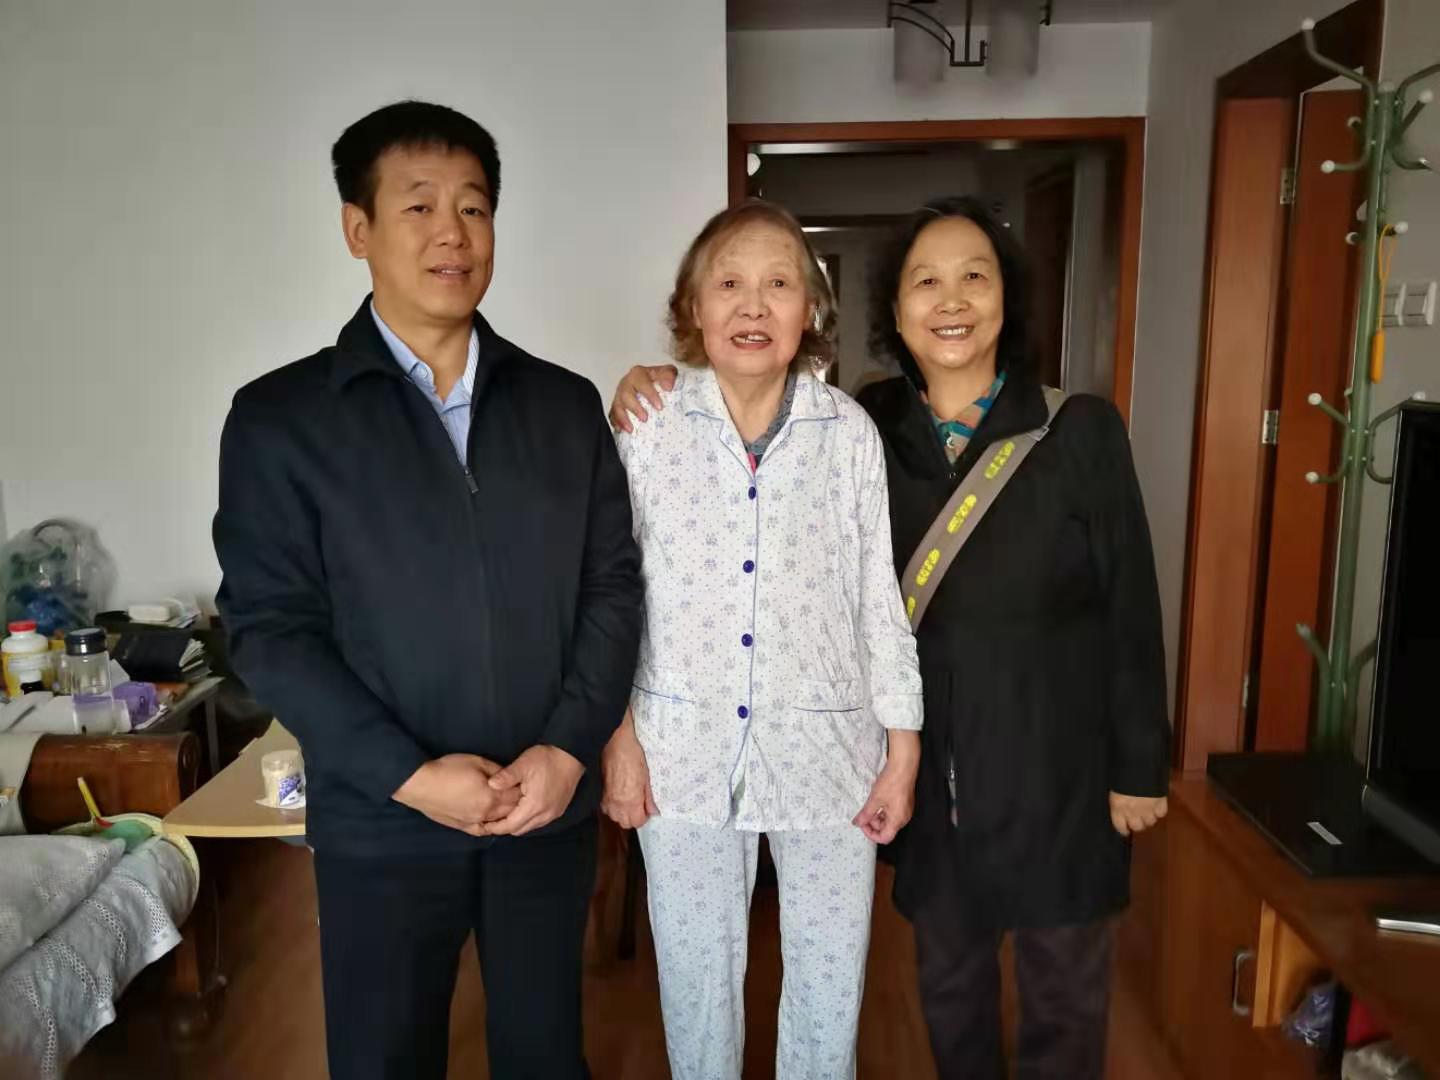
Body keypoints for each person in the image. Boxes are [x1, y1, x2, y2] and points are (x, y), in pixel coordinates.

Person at [608, 195, 1170, 1080]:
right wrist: (619, 733)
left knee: (1043, 979)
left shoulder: (1038, 429)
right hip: (817, 751)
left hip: (993, 750)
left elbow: (1121, 600)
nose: (951, 300)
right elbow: (615, 592)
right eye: (926, 281)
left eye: (975, 277)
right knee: (923, 976)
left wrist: (1136, 764)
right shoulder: (832, 424)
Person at [213, 101, 643, 1080]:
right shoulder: (283, 419)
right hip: (383, 819)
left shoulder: (561, 405)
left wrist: (568, 751)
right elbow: (272, 629)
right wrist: (408, 776)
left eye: (474, 208)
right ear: (357, 228)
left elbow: (612, 588)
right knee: (385, 1059)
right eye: (419, 207)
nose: (453, 233)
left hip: (543, 810)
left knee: (546, 1056)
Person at [599, 199, 924, 1080]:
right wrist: (618, 737)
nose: (753, 305)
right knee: (697, 987)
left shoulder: (848, 435)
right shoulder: (646, 428)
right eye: (730, 284)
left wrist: (901, 748)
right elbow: (609, 598)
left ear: (809, 309)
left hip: (831, 753)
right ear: (693, 307)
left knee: (828, 985)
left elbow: (877, 599)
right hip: (679, 752)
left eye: (779, 283)